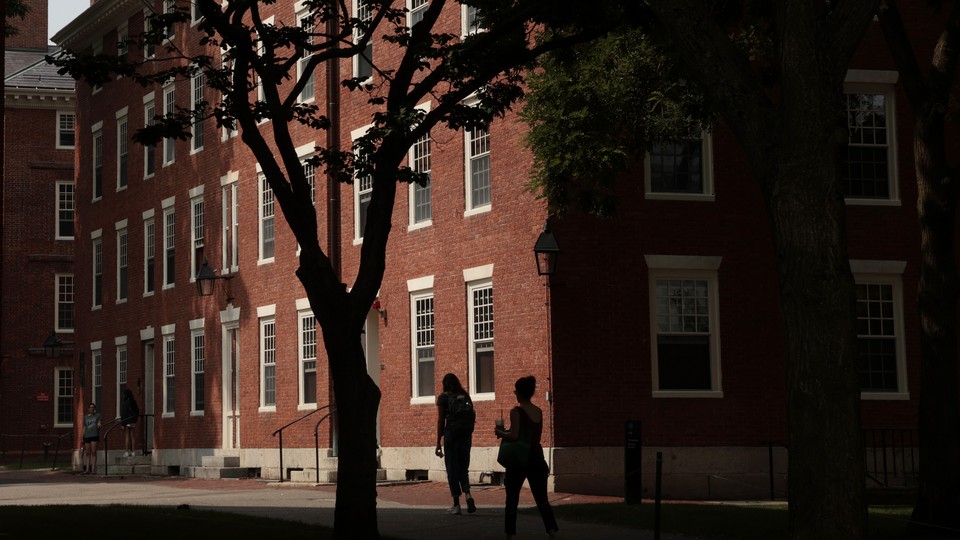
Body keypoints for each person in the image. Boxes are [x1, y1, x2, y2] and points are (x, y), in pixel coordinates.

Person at [495, 376, 557, 539]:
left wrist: (501, 433)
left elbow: (515, 435)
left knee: (512, 498)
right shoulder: (538, 411)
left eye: (516, 390)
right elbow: (529, 435)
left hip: (519, 461)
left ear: (519, 393)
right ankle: (551, 531)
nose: (514, 393)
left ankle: (510, 534)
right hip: (536, 458)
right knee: (542, 499)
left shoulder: (516, 411)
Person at [436, 373, 476, 515]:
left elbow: (441, 421)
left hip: (451, 435)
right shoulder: (465, 395)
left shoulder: (443, 398)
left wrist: (438, 443)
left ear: (445, 384)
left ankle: (456, 504)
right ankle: (468, 494)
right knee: (463, 467)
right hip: (465, 436)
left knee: (452, 468)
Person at [81, 403, 102, 475]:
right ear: (88, 409)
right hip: (87, 436)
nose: (92, 409)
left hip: (94, 435)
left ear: (94, 408)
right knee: (87, 453)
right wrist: (82, 437)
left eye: (93, 407)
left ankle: (93, 469)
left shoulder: (98, 416)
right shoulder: (85, 417)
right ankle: (87, 469)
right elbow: (84, 427)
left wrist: (99, 425)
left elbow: (99, 423)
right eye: (90, 407)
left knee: (93, 452)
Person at [120, 388, 140, 457]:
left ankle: (126, 451)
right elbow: (137, 411)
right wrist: (135, 419)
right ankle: (133, 451)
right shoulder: (133, 402)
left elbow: (124, 413)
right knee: (132, 436)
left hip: (127, 421)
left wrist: (122, 423)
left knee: (127, 436)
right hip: (133, 421)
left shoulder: (125, 403)